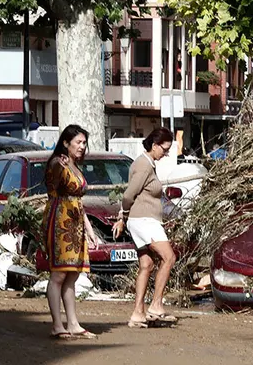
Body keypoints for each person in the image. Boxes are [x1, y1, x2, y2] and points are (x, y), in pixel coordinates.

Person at [112, 127, 178, 328]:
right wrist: (123, 215)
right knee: (169, 257)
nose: (166, 153)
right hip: (144, 220)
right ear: (155, 145)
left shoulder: (148, 163)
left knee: (147, 264)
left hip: (143, 220)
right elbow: (128, 195)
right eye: (164, 149)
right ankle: (156, 305)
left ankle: (138, 313)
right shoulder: (143, 165)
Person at [43, 124, 99, 340]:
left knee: (72, 274)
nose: (82, 146)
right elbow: (55, 187)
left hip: (75, 222)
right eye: (78, 142)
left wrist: (90, 230)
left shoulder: (74, 165)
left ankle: (73, 323)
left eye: (84, 143)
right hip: (60, 221)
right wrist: (60, 166)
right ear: (66, 143)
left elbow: (78, 202)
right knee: (59, 273)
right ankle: (57, 324)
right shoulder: (57, 163)